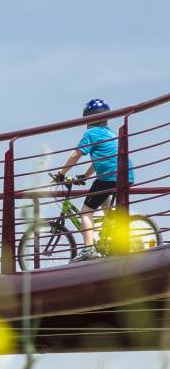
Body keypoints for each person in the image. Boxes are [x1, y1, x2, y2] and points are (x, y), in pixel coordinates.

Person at [54, 99, 135, 262]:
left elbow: (76, 154)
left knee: (86, 211)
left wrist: (61, 173)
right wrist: (86, 175)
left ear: (88, 119)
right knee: (105, 208)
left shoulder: (90, 133)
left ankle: (88, 250)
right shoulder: (110, 133)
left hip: (109, 176)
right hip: (124, 174)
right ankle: (111, 240)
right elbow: (100, 158)